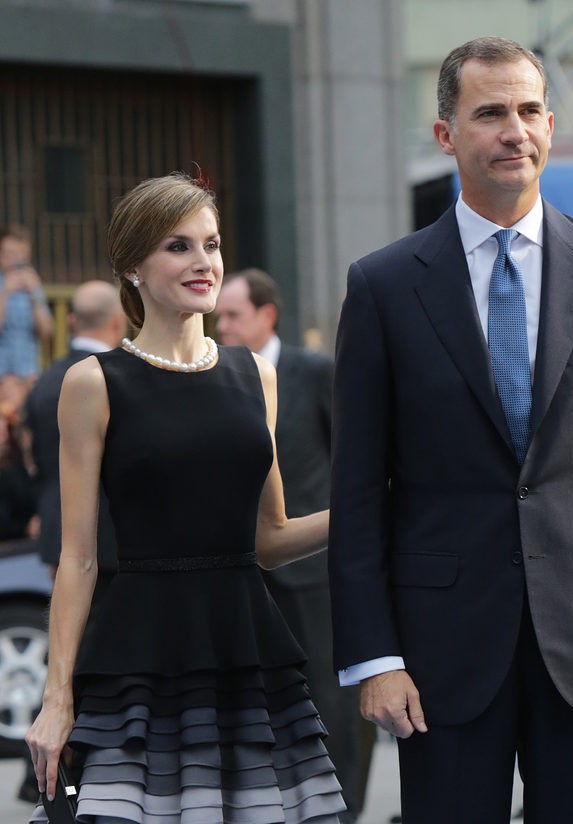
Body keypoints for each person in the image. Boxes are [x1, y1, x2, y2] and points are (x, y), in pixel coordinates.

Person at [329, 36, 573, 824]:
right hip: (438, 654)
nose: (513, 130)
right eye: (490, 113)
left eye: (528, 111)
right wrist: (374, 657)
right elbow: (356, 491)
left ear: (552, 126)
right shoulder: (384, 285)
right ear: (446, 135)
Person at [25, 173, 346, 822]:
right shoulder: (94, 383)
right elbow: (79, 560)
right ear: (133, 267)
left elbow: (270, 540)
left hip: (246, 654)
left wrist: (371, 509)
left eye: (212, 243)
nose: (204, 262)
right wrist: (56, 697)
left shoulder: (256, 374)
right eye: (178, 246)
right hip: (141, 657)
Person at [215, 267, 374, 821]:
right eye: (220, 317)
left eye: (233, 315)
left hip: (311, 570)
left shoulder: (314, 372)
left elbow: (354, 461)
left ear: (267, 315)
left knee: (331, 703)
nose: (223, 325)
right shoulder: (221, 376)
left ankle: (341, 811)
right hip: (241, 572)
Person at [16, 280, 126, 805]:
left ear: (72, 322)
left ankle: (41, 767)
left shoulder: (43, 384)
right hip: (102, 541)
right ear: (116, 322)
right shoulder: (110, 378)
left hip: (58, 537)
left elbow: (34, 464)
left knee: (62, 651)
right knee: (92, 657)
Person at [0, 225, 53, 387]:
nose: (16, 260)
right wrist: (6, 293)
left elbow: (47, 331)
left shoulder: (32, 285)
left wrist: (35, 296)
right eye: (10, 254)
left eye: (21, 254)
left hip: (29, 374)